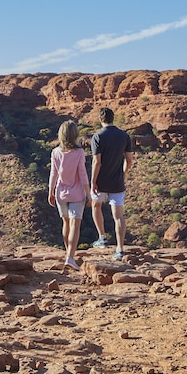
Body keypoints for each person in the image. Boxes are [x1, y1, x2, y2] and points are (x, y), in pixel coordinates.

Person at [90, 107, 133, 260]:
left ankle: (102, 238)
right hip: (117, 181)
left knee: (96, 206)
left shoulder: (97, 137)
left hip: (101, 181)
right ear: (113, 118)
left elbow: (97, 162)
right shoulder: (124, 136)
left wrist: (93, 181)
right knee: (118, 215)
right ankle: (120, 249)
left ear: (100, 119)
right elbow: (129, 160)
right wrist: (123, 173)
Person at [48, 120, 90, 271]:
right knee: (75, 225)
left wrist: (50, 191)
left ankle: (68, 254)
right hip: (77, 194)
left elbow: (53, 174)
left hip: (60, 193)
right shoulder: (79, 153)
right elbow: (83, 174)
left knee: (66, 223)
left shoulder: (55, 152)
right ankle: (70, 258)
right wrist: (88, 193)